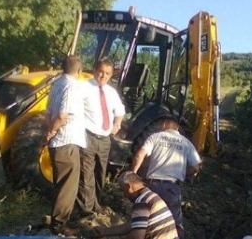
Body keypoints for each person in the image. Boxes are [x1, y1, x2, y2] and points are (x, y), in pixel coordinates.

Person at [130, 117, 202, 239]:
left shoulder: (155, 137)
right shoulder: (186, 142)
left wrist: (133, 173)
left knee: (145, 220)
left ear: (163, 125)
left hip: (153, 186)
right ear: (177, 128)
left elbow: (139, 155)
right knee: (174, 222)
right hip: (172, 189)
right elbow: (196, 168)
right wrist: (182, 173)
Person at [45, 55, 86, 237]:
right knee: (67, 187)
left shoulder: (56, 85)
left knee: (59, 183)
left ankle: (55, 219)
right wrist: (53, 131)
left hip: (57, 143)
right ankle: (59, 226)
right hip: (67, 141)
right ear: (79, 71)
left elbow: (48, 113)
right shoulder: (72, 87)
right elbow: (62, 115)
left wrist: (50, 131)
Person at [78, 59, 126, 216]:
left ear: (111, 75)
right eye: (101, 72)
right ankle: (86, 209)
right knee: (86, 175)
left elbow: (120, 111)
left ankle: (96, 204)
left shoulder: (111, 92)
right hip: (88, 137)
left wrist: (117, 125)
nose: (103, 76)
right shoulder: (83, 87)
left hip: (105, 140)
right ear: (94, 70)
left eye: (107, 73)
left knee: (100, 173)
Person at [93, 171, 179, 239]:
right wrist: (105, 231)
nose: (124, 195)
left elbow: (136, 237)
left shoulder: (142, 202)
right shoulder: (150, 196)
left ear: (128, 186)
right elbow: (134, 224)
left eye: (123, 191)